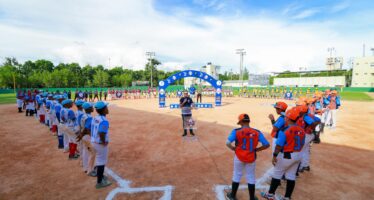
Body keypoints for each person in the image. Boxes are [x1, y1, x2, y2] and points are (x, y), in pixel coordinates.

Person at [261, 107, 306, 200]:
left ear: (288, 118)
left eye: (286, 117)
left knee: (277, 174)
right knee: (291, 176)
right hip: (298, 155)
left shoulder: (285, 130)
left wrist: (274, 156)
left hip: (287, 155)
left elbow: (278, 146)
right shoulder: (301, 130)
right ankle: (287, 197)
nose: (285, 118)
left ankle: (270, 195)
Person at [226, 114, 270, 200]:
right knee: (251, 176)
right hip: (251, 157)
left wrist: (233, 148)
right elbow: (267, 144)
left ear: (241, 122)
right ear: (248, 121)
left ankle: (232, 195)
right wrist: (257, 149)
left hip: (239, 156)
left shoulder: (236, 131)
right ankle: (252, 198)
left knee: (237, 175)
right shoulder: (257, 132)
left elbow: (227, 143)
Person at [91, 101, 112, 188]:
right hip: (99, 143)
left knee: (99, 159)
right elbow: (101, 133)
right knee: (101, 162)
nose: (107, 109)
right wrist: (103, 142)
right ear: (103, 110)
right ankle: (99, 182)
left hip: (93, 141)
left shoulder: (95, 117)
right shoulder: (104, 121)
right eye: (106, 107)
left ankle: (101, 176)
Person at [77, 102, 97, 176]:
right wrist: (92, 136)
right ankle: (90, 170)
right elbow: (87, 129)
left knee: (85, 151)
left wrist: (80, 134)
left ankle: (85, 167)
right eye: (91, 107)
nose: (93, 108)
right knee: (92, 153)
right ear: (88, 108)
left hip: (83, 135)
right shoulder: (89, 117)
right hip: (87, 136)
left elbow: (79, 125)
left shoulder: (82, 115)